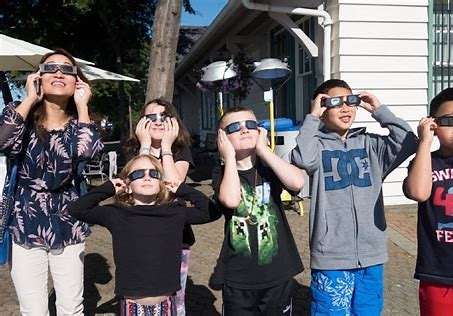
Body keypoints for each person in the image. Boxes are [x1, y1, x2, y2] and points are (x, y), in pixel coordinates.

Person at [290, 79, 417, 315]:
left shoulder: (372, 145)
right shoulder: (316, 146)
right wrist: (312, 118)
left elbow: (408, 140)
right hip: (331, 255)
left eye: (350, 101)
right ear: (322, 107)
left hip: (371, 253)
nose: (345, 108)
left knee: (368, 311)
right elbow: (302, 159)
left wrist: (379, 111)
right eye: (335, 103)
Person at [0, 49, 104, 315]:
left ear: (77, 82)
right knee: (33, 309)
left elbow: (88, 153)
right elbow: (1, 141)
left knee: (71, 307)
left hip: (69, 221)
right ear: (38, 77)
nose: (59, 73)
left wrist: (82, 106)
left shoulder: (81, 123)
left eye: (67, 69)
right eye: (51, 68)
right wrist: (28, 98)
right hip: (25, 222)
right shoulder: (20, 117)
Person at [68, 154, 221, 316]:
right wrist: (108, 188)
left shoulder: (174, 212)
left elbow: (211, 212)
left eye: (154, 174)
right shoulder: (116, 214)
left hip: (166, 304)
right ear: (127, 184)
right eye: (138, 174)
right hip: (132, 305)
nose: (147, 177)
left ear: (161, 183)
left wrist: (182, 189)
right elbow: (77, 209)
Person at [212, 106, 305, 315]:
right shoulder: (221, 172)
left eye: (251, 125)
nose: (244, 130)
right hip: (238, 277)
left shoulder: (270, 166)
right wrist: (228, 157)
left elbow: (297, 182)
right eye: (235, 127)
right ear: (222, 138)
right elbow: (231, 199)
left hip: (278, 272)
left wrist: (264, 150)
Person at [134, 98, 193, 315]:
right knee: (142, 296)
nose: (158, 122)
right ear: (142, 123)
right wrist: (145, 146)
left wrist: (166, 147)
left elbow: (172, 187)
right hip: (138, 234)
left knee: (175, 299)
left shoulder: (180, 151)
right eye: (151, 118)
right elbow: (134, 189)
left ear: (173, 122)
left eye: (164, 117)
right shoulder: (135, 151)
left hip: (174, 235)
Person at [403, 87, 453, 316]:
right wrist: (424, 142)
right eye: (449, 120)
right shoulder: (426, 161)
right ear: (433, 124)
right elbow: (418, 192)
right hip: (439, 272)